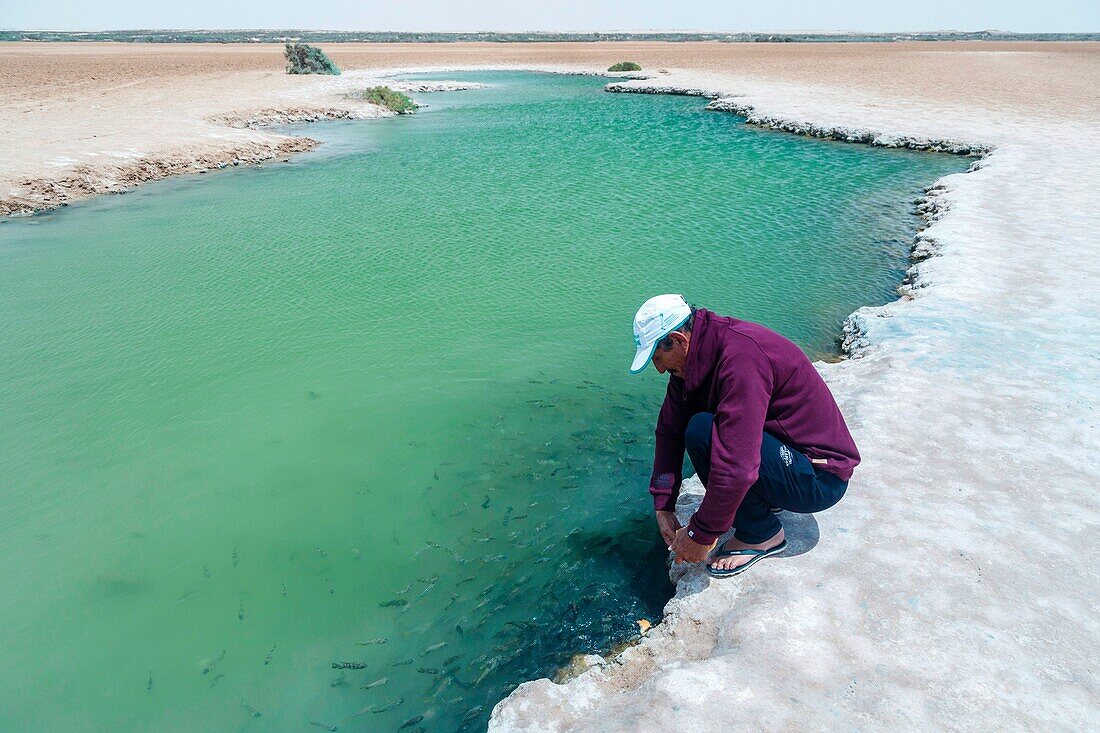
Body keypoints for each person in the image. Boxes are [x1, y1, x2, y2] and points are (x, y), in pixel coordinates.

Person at [630, 294, 860, 577]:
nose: (659, 368)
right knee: (698, 427)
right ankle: (764, 499)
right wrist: (663, 504)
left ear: (679, 339)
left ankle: (761, 533)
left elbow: (738, 466)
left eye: (657, 357)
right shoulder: (693, 362)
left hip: (820, 479)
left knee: (702, 431)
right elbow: (669, 433)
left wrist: (701, 534)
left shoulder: (740, 358)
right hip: (785, 458)